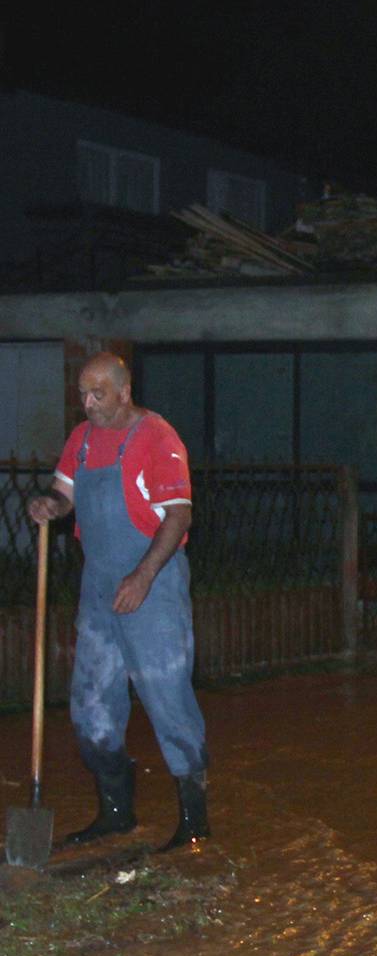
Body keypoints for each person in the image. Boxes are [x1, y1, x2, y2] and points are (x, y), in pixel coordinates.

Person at [27, 353, 210, 851]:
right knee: (90, 703)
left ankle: (193, 822)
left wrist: (143, 577)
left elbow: (178, 517)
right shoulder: (81, 441)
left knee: (167, 697)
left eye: (98, 394)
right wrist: (52, 505)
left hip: (154, 581)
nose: (87, 404)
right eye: (83, 394)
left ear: (124, 391)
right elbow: (65, 492)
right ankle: (115, 813)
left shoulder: (157, 437)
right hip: (99, 585)